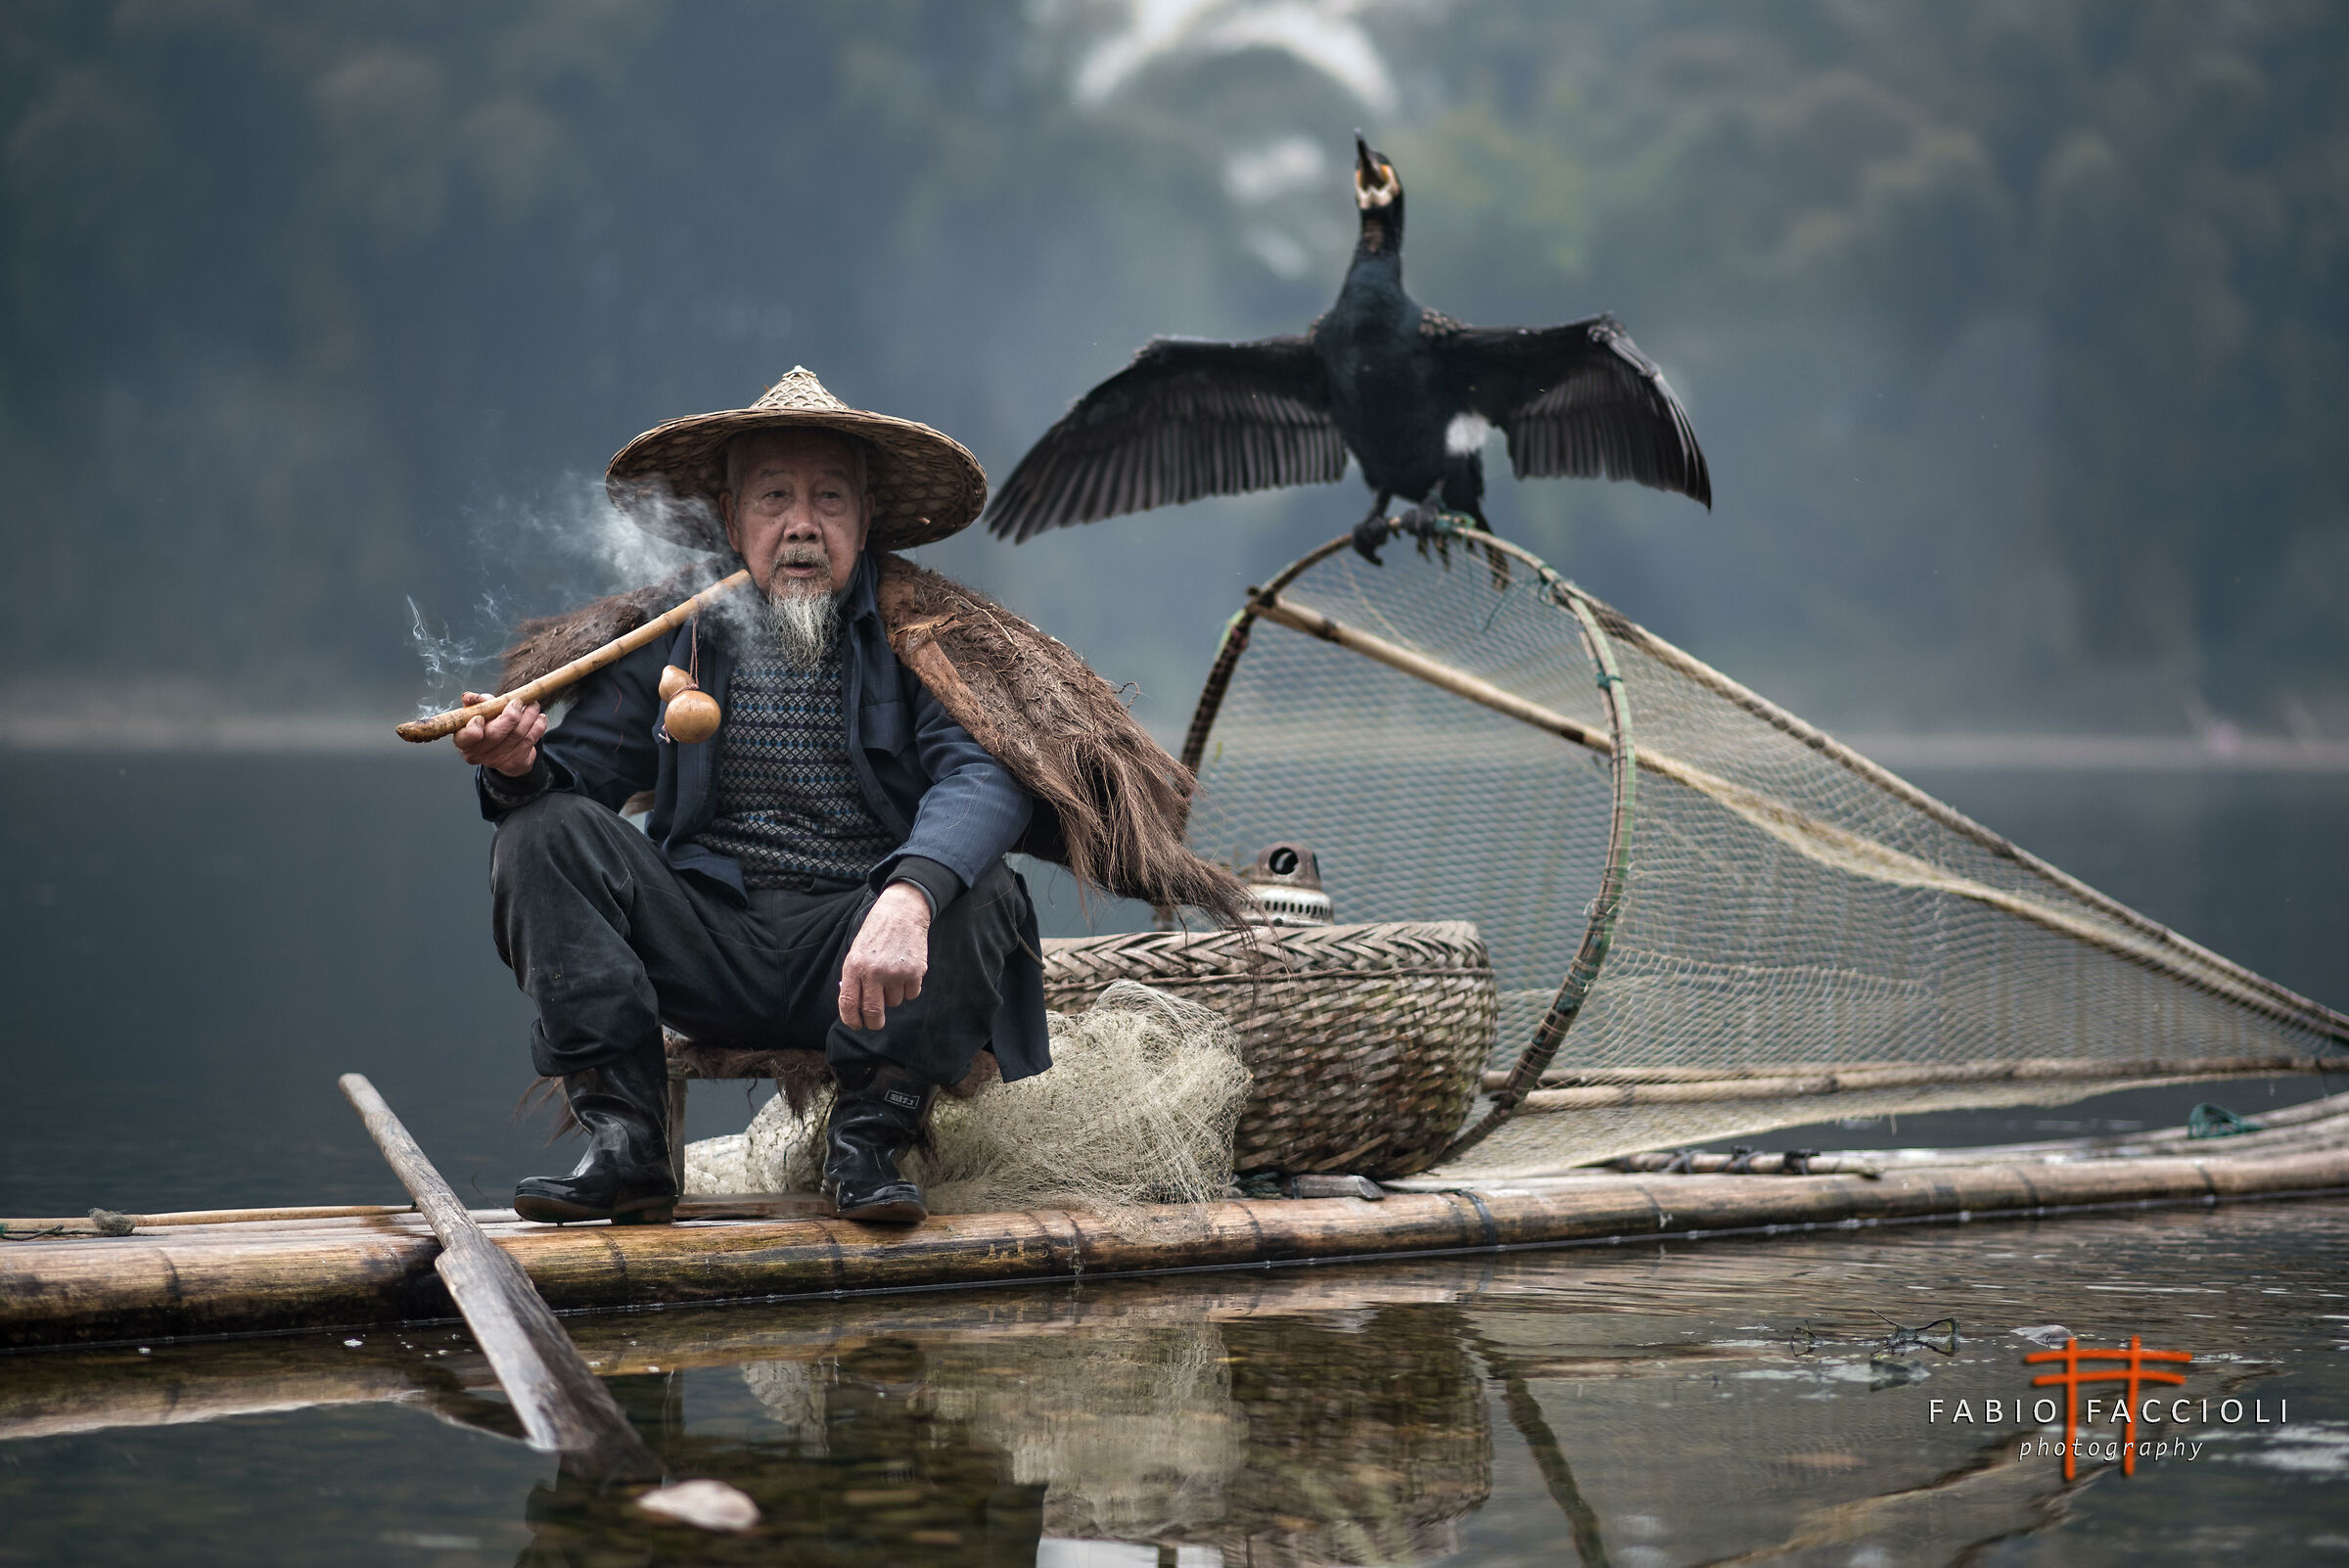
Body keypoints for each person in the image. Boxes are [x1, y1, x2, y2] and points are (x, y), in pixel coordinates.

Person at [454, 368, 1242, 1226]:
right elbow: (574, 782)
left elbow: (983, 777)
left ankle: (871, 1139)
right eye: (775, 498)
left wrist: (908, 897)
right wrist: (514, 766)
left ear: (866, 521)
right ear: (731, 520)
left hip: (867, 961)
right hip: (707, 945)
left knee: (979, 887)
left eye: (829, 498)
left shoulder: (926, 637)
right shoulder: (675, 634)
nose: (802, 525)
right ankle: (626, 1144)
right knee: (540, 832)